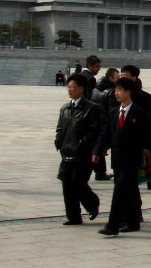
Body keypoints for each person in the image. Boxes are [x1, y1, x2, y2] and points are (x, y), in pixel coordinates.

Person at [94, 78, 151, 236]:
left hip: (132, 159)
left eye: (120, 90)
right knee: (129, 190)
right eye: (115, 90)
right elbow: (105, 134)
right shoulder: (113, 112)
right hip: (117, 159)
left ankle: (113, 225)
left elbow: (149, 136)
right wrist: (97, 151)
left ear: (129, 92)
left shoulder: (140, 114)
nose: (116, 93)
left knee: (119, 190)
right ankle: (133, 222)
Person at [55, 74, 101, 226]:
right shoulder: (65, 108)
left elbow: (93, 131)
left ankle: (92, 203)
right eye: (68, 87)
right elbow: (60, 127)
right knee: (67, 185)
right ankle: (73, 217)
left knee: (78, 183)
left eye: (73, 87)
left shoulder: (91, 108)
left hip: (82, 154)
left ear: (81, 89)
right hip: (66, 153)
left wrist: (82, 144)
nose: (70, 90)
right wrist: (59, 141)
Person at [120, 64, 151, 189]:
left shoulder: (144, 97)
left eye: (125, 76)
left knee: (147, 155)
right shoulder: (117, 94)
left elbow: (149, 118)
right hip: (123, 132)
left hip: (141, 131)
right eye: (121, 75)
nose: (122, 78)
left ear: (134, 78)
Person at [92, 67, 120, 181]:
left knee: (98, 147)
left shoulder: (95, 89)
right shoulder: (110, 92)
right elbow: (112, 111)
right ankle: (112, 171)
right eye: (117, 78)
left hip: (95, 122)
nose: (119, 80)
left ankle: (100, 172)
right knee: (109, 148)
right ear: (110, 78)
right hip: (105, 123)